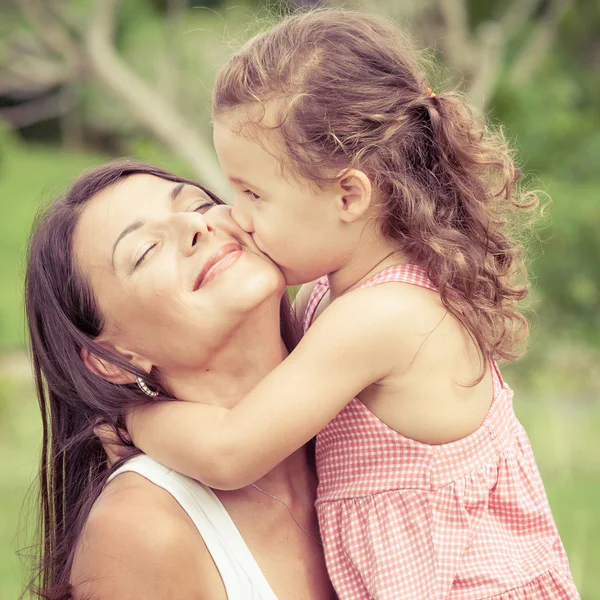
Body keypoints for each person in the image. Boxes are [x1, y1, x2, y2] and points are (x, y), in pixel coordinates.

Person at [126, 9, 579, 600]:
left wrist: (129, 417)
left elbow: (231, 451)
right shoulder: (336, 296)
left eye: (254, 192)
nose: (237, 216)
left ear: (348, 194)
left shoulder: (383, 318)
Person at [24, 160, 334, 600]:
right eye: (146, 250)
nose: (195, 226)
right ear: (111, 359)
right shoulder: (143, 526)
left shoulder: (375, 398)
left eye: (201, 204)